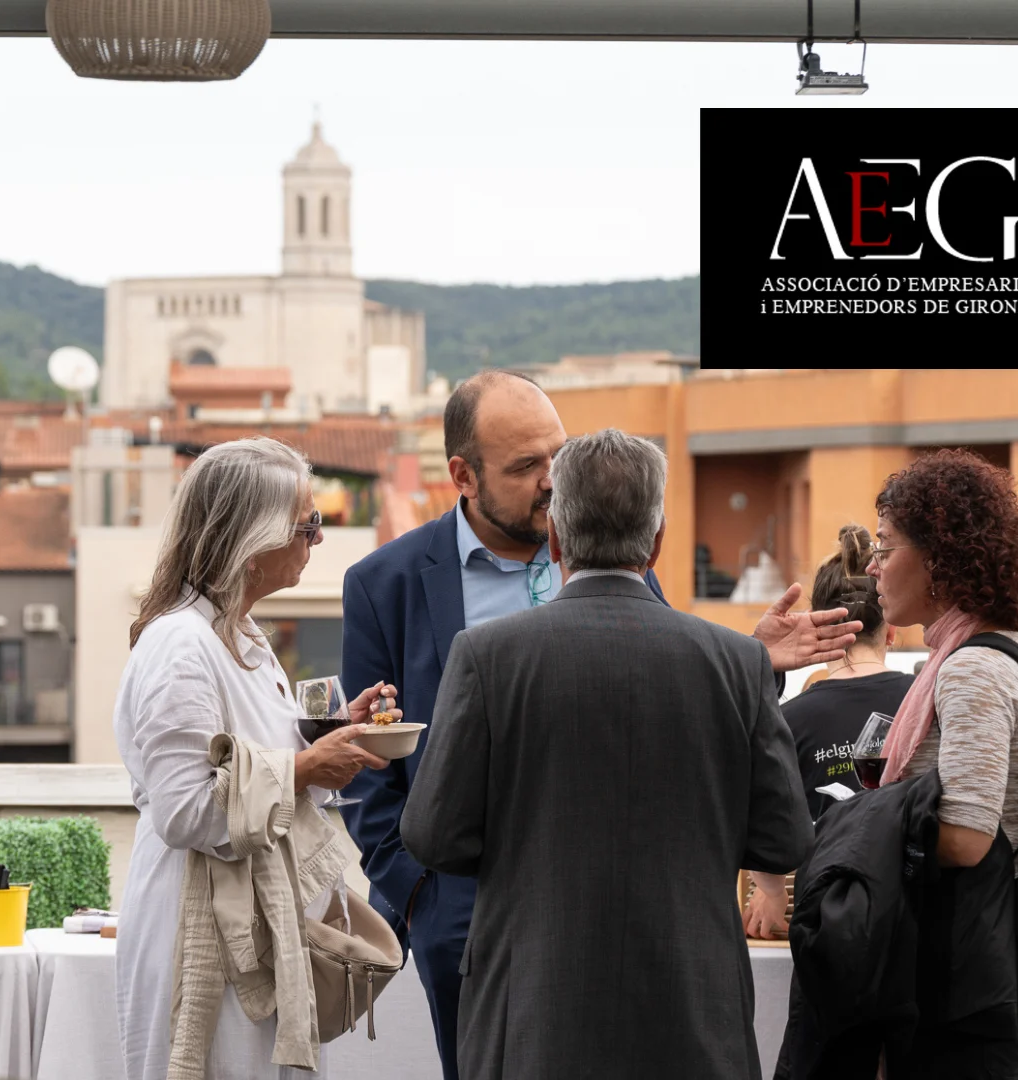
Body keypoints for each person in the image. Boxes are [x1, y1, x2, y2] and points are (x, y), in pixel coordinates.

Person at [341, 371, 862, 1080]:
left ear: (561, 540)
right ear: (462, 474)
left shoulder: (596, 565)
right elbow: (368, 756)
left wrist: (754, 663)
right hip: (477, 929)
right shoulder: (385, 583)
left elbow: (657, 689)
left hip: (623, 940)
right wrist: (419, 900)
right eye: (525, 465)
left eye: (558, 456)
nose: (550, 480)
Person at [114, 437, 397, 1080]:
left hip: (257, 922)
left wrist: (332, 741)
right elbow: (184, 810)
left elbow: (260, 771)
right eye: (307, 524)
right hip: (199, 925)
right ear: (252, 535)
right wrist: (308, 767)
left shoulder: (241, 635)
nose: (317, 539)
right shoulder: (181, 646)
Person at [869, 449, 1018, 1076]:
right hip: (990, 975)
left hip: (969, 989)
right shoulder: (998, 651)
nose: (871, 565)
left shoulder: (972, 668)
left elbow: (968, 837)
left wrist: (859, 829)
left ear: (938, 560)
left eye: (884, 546)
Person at [744, 523, 915, 941]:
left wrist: (770, 889)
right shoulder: (926, 701)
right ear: (891, 629)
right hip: (916, 919)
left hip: (827, 927)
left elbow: (758, 820)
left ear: (818, 625)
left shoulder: (787, 719)